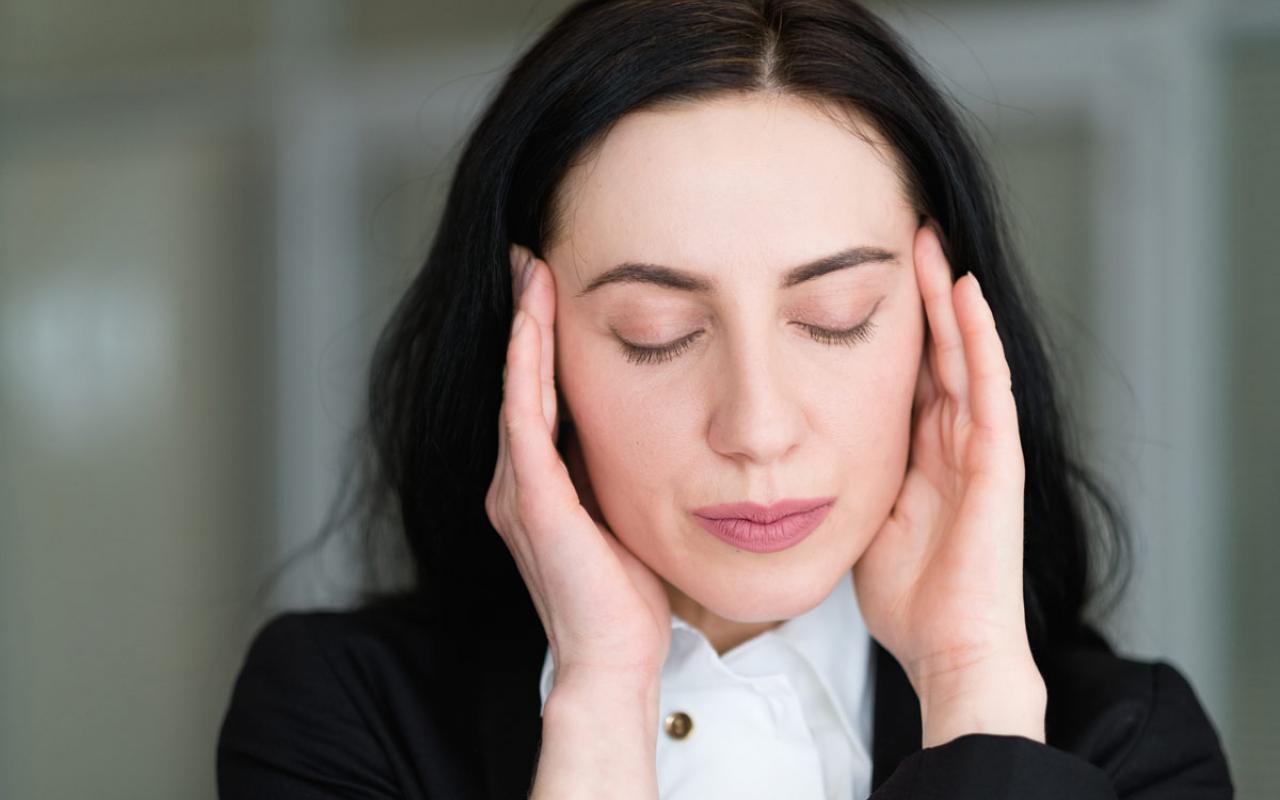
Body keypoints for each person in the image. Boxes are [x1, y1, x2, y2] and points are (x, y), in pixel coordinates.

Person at [216, 1, 1234, 797]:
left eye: (834, 316)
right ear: (531, 348)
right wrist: (600, 703)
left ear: (938, 335)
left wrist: (968, 687)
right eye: (655, 333)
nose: (756, 426)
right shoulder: (344, 712)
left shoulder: (1126, 746)